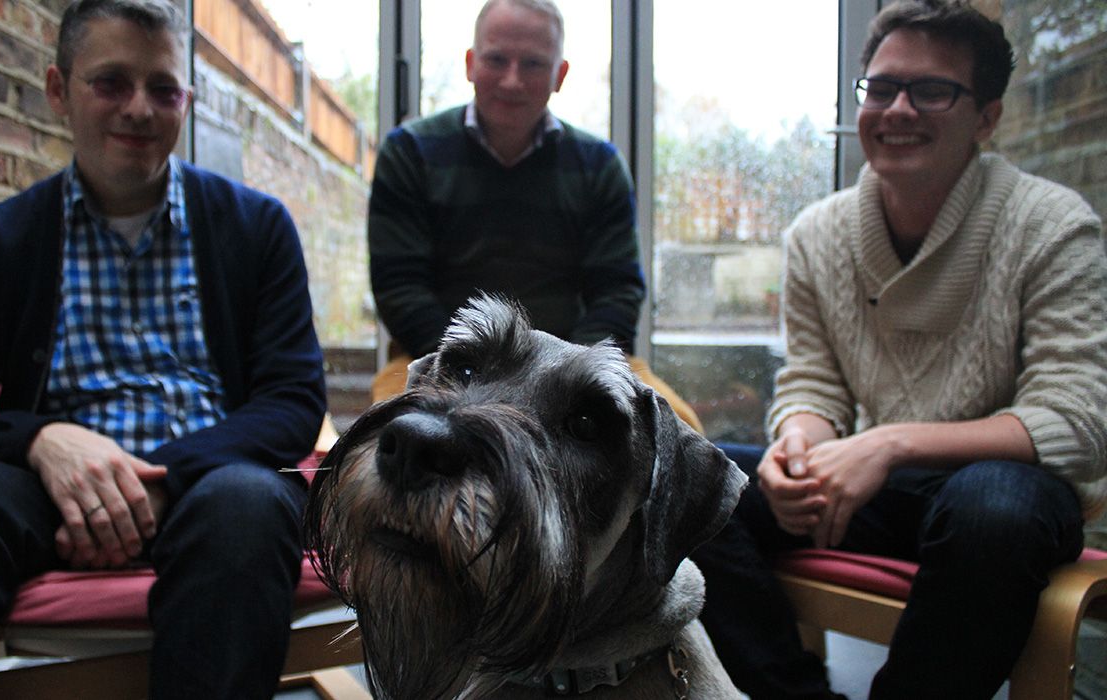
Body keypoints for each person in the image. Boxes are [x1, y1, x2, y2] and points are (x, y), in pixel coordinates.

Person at [0, 1, 326, 697]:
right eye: (110, 83)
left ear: (185, 102)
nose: (139, 109)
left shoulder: (257, 230)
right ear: (57, 90)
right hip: (43, 491)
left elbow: (291, 402)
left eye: (163, 89)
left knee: (251, 508)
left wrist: (155, 483)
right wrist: (45, 442)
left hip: (207, 482)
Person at [690, 1, 1107, 698]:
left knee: (991, 505)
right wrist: (799, 447)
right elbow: (813, 386)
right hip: (882, 492)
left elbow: (1076, 422)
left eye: (932, 90)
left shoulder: (1052, 224)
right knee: (687, 481)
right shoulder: (817, 235)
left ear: (986, 118)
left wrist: (886, 444)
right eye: (881, 88)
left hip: (1007, 500)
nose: (898, 110)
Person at [367, 0, 703, 432]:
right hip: (438, 359)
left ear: (559, 75)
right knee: (392, 437)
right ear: (470, 64)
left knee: (680, 431)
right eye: (496, 59)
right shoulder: (409, 153)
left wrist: (561, 374)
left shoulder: (599, 166)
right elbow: (400, 289)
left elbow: (617, 293)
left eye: (532, 63)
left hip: (573, 362)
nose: (512, 79)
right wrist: (477, 368)